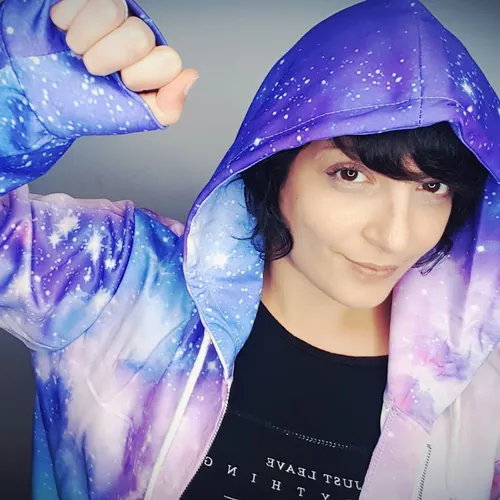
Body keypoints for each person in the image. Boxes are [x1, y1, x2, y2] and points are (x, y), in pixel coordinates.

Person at [0, 0, 499, 498]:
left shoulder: (483, 381)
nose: (395, 237)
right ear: (273, 165)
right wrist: (23, 93)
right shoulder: (122, 279)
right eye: (350, 175)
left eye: (432, 186)